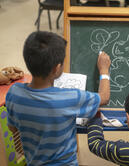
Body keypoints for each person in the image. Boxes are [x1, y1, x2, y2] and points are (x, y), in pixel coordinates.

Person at [5, 31, 111, 166]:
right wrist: (104, 71)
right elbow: (104, 98)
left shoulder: (14, 94)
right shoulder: (70, 98)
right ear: (57, 68)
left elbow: (13, 129)